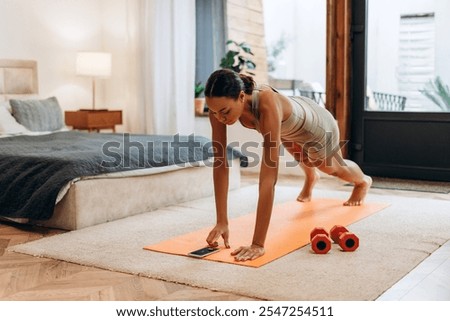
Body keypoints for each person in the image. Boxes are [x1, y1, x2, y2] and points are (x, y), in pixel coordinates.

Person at [204, 68, 372, 262]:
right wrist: (221, 221)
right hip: (289, 127)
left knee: (329, 167)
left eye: (224, 112)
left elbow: (268, 179)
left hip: (315, 126)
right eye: (214, 112)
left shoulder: (266, 103)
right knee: (303, 157)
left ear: (241, 96)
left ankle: (362, 182)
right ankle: (311, 178)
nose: (219, 118)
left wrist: (258, 244)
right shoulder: (218, 109)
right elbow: (220, 163)